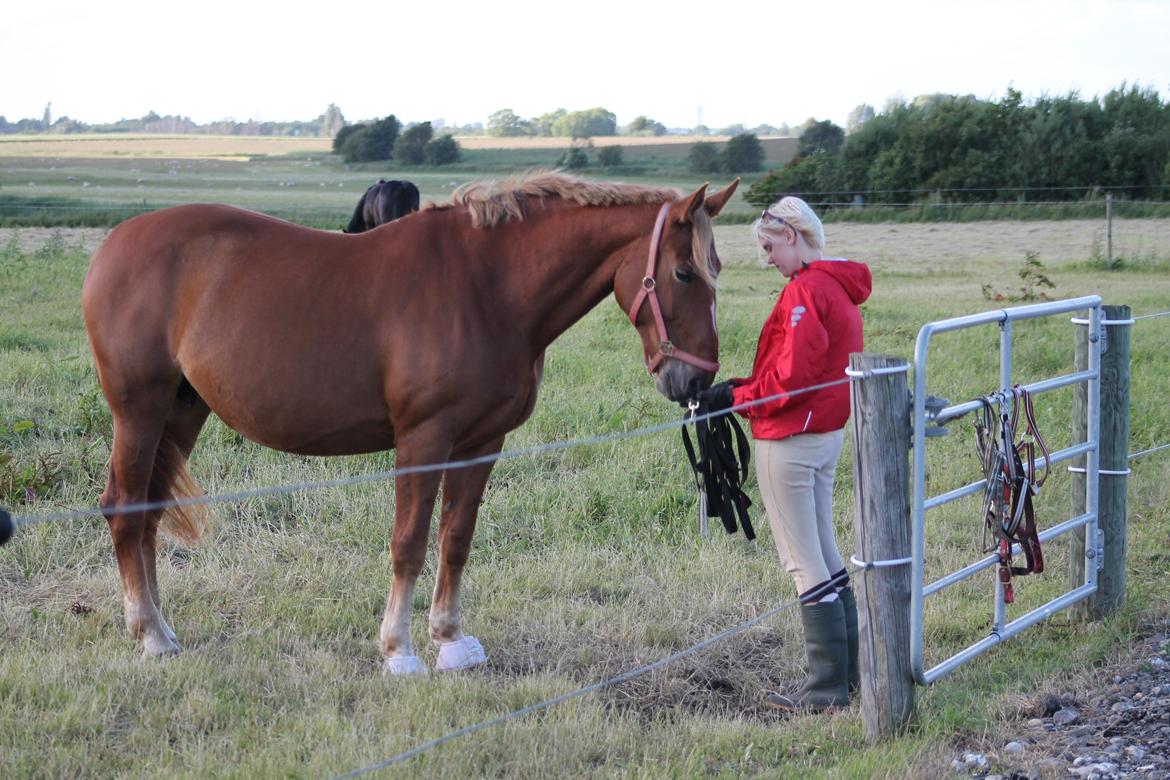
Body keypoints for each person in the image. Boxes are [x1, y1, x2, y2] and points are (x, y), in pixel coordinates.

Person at [696, 196, 871, 711]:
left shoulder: (804, 293)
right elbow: (805, 372)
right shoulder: (835, 287)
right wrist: (741, 385)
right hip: (823, 434)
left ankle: (824, 691)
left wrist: (738, 398)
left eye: (770, 246)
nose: (768, 258)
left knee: (802, 562)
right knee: (825, 553)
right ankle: (848, 679)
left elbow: (791, 381)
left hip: (790, 439)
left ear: (792, 237)